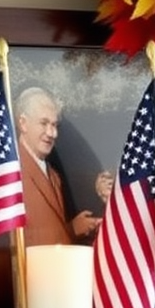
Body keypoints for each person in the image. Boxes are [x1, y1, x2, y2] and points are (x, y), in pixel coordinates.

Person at [15, 86, 107, 246]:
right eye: (44, 123)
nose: (52, 133)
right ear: (23, 123)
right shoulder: (12, 174)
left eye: (55, 125)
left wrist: (71, 229)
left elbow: (49, 233)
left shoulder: (53, 175)